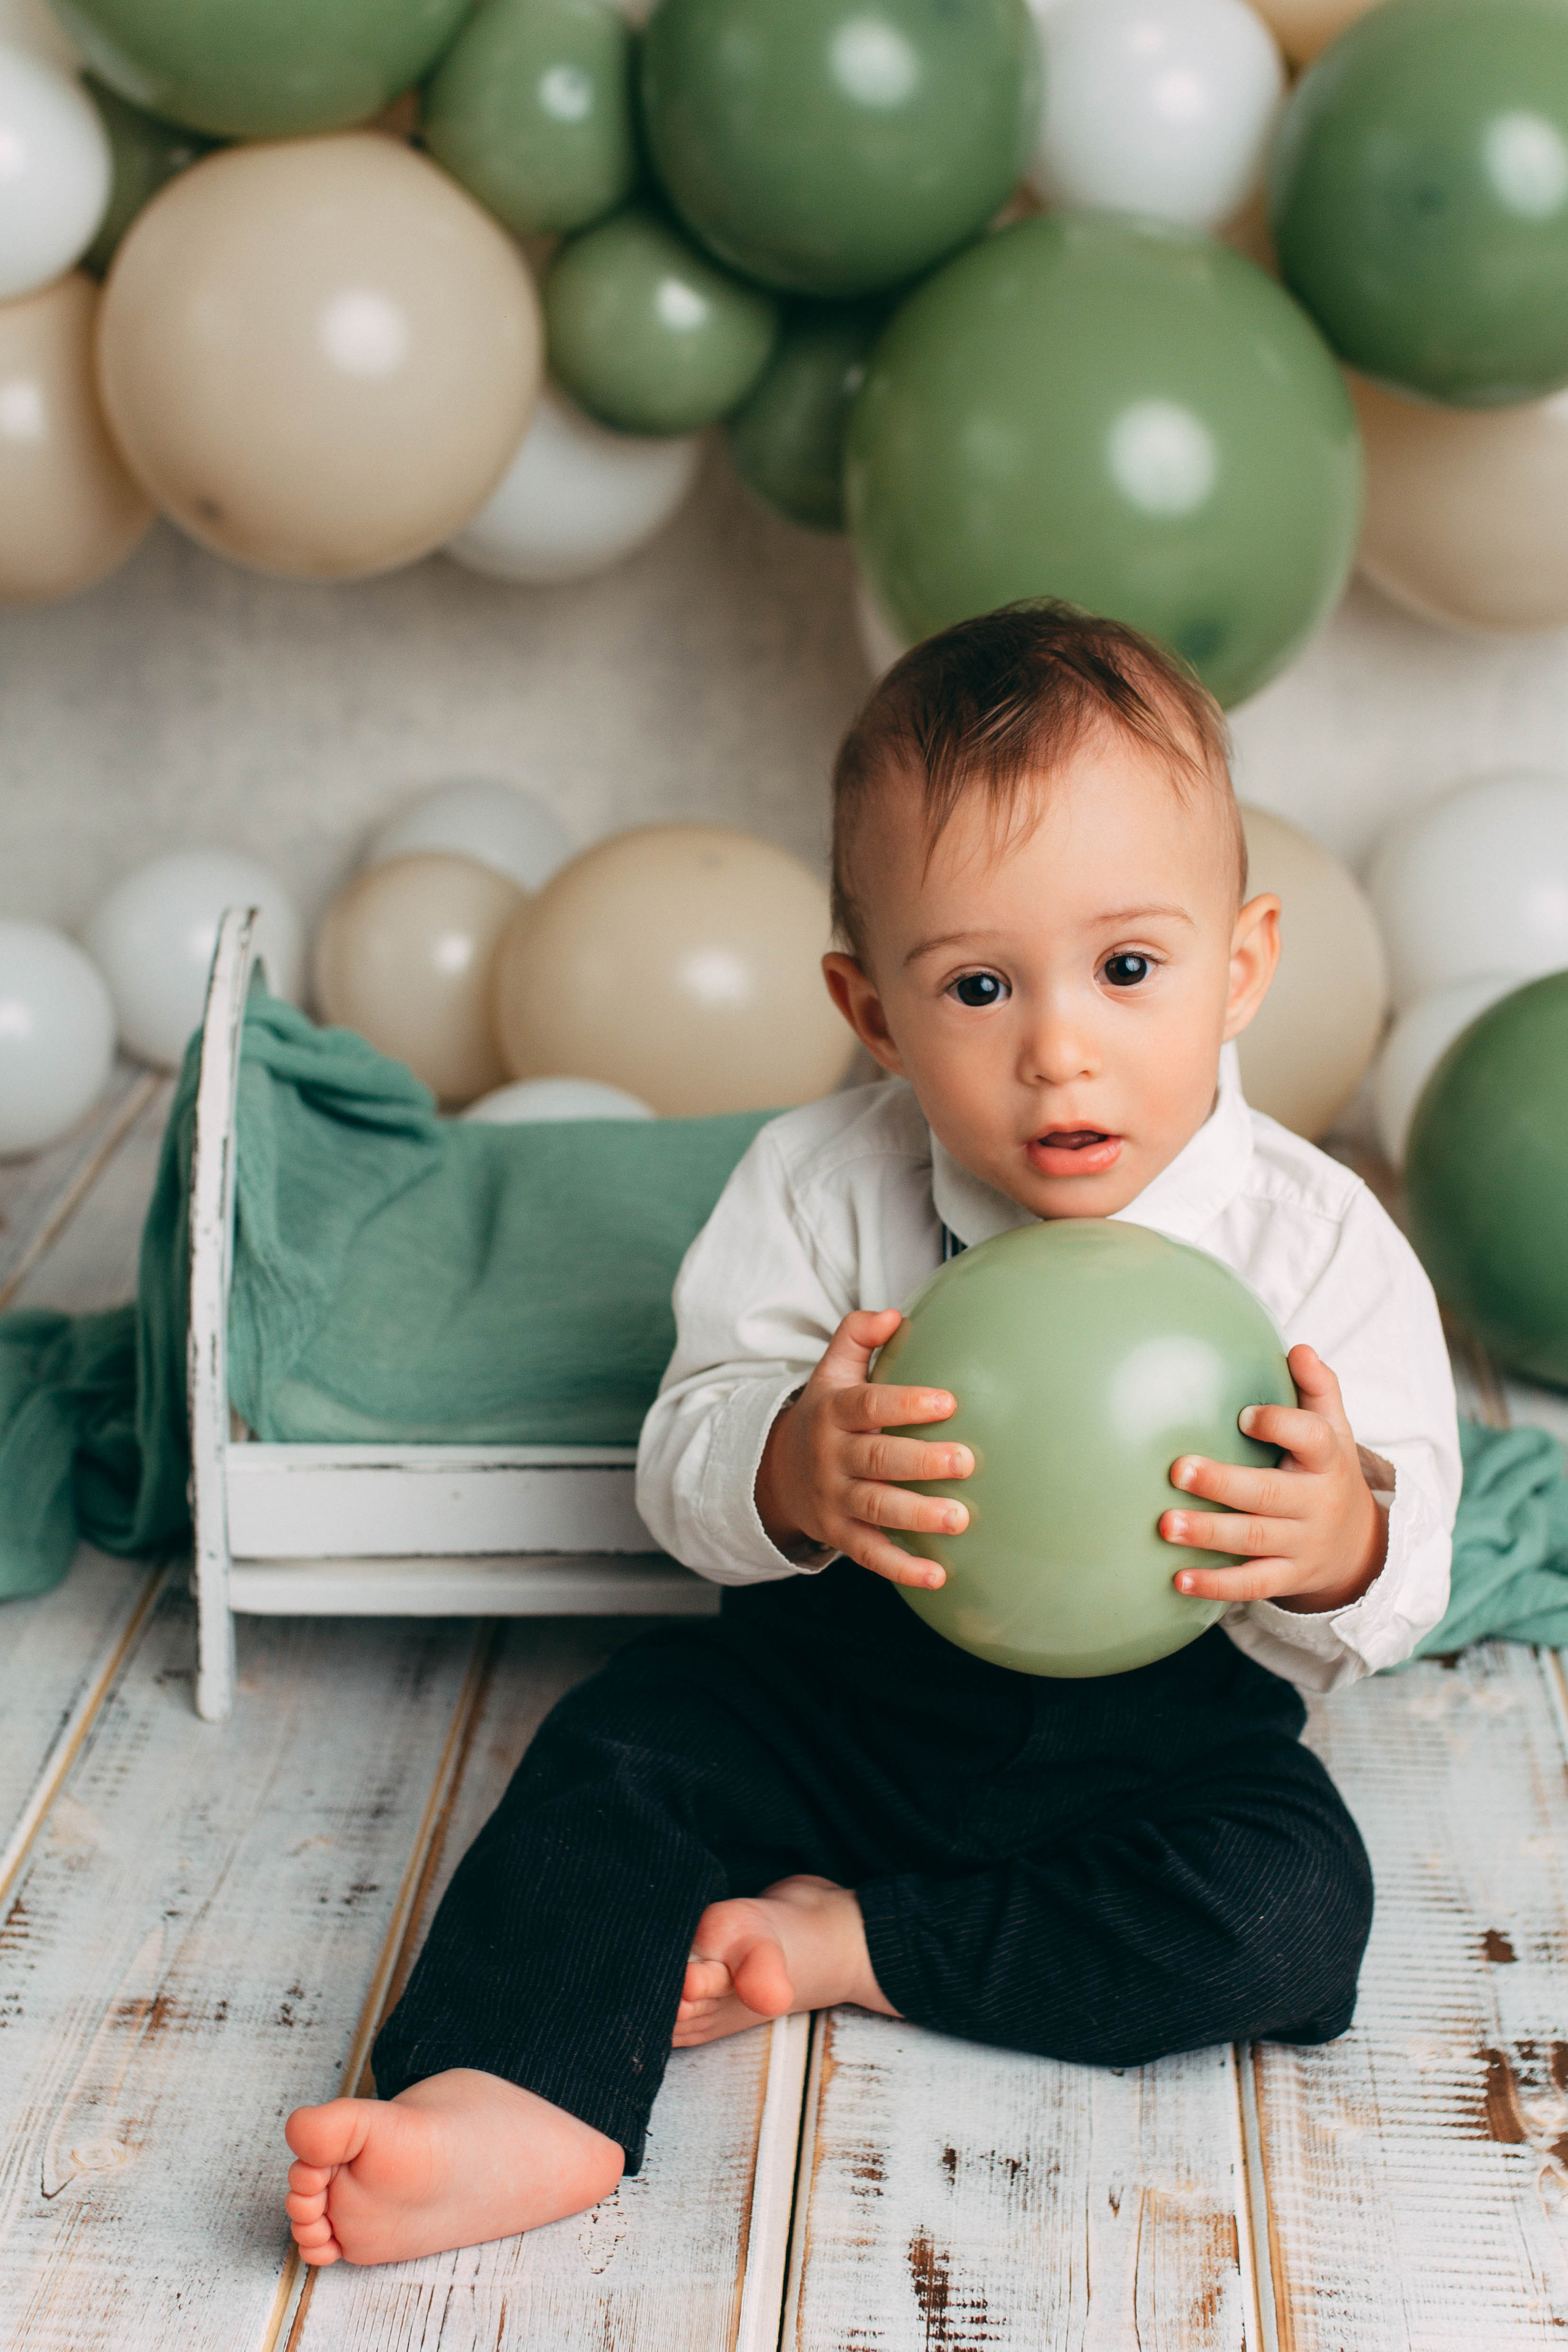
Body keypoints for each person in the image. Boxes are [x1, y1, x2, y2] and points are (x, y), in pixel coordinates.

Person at [282, 600, 1460, 2268]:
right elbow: (682, 1461)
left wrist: (1346, 1537)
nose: (1060, 1049)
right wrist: (787, 1463)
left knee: (1294, 1914)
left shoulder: (1316, 1239)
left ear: (1243, 966)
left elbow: (1411, 1557)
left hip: (1152, 1738)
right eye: (979, 985)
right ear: (874, 1011)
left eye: (1129, 969)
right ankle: (519, 2092)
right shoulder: (820, 1186)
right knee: (619, 1754)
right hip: (831, 1698)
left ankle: (865, 1946)